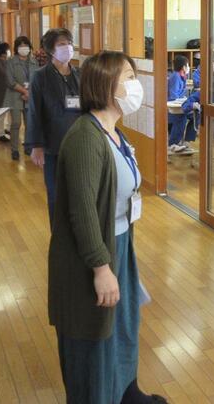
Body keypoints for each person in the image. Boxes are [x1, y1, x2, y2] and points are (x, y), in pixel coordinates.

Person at [48, 51, 166, 404]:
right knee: (95, 333)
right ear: (105, 85)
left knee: (123, 324)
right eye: (128, 77)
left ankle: (126, 391)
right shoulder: (86, 137)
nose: (136, 84)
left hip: (119, 242)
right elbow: (82, 212)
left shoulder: (113, 131)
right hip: (93, 252)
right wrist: (101, 268)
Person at [26, 28, 82, 224]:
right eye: (61, 44)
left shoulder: (79, 74)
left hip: (78, 142)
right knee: (56, 194)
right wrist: (36, 145)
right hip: (53, 144)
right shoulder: (40, 76)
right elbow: (34, 111)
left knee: (79, 192)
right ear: (51, 49)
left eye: (69, 43)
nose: (67, 48)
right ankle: (59, 234)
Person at [5, 35, 39, 161]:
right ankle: (14, 149)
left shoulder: (34, 62)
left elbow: (37, 79)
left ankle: (28, 146)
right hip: (15, 95)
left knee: (29, 123)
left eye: (26, 46)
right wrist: (24, 91)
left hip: (30, 96)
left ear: (30, 47)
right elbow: (10, 81)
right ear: (16, 48)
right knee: (16, 123)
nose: (24, 48)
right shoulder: (10, 62)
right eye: (21, 46)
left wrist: (29, 93)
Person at [167, 55, 195, 154]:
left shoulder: (181, 76)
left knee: (196, 116)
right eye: (188, 65)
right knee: (182, 117)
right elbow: (173, 96)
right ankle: (173, 144)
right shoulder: (175, 77)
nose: (189, 67)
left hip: (178, 105)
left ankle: (186, 141)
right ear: (183, 67)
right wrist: (183, 100)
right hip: (171, 107)